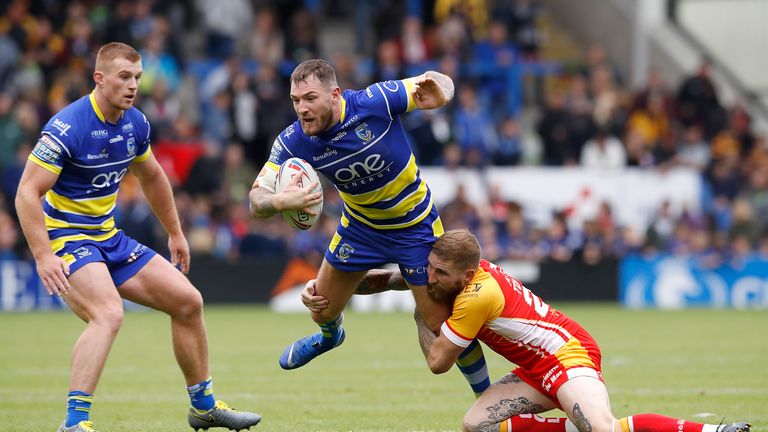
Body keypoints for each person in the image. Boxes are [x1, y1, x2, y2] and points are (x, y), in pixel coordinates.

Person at [14, 42, 261, 432]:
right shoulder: (68, 126)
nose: (133, 86)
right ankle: (74, 424)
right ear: (100, 78)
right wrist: (44, 256)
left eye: (138, 78)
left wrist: (176, 233)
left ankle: (203, 407)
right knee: (108, 314)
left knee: (188, 301)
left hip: (109, 239)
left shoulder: (136, 123)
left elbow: (152, 176)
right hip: (68, 240)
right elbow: (27, 192)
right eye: (124, 77)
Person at [302, 229, 752, 432]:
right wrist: (329, 290)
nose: (430, 279)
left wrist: (421, 312)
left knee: (604, 430)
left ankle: (711, 431)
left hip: (568, 355)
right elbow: (388, 281)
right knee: (474, 425)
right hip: (535, 368)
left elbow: (439, 362)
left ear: (464, 273)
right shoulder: (453, 277)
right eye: (430, 271)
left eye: (438, 274)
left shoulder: (478, 295)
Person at [248, 59, 491, 396]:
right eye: (295, 100)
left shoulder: (374, 102)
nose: (301, 109)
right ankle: (331, 337)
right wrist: (278, 202)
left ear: (335, 95)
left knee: (439, 327)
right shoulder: (294, 140)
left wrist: (444, 91)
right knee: (321, 307)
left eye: (310, 98)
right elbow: (256, 200)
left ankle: (487, 397)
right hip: (360, 228)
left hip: (414, 226)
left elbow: (435, 82)